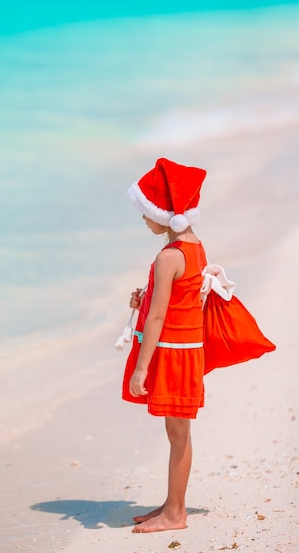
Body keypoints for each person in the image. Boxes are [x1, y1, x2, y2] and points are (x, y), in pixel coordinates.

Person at [122, 157, 208, 533]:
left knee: (177, 434)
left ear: (165, 215)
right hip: (188, 350)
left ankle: (175, 514)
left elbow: (158, 320)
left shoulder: (168, 256)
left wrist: (141, 367)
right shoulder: (195, 248)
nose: (143, 220)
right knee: (178, 433)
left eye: (145, 212)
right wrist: (147, 296)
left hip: (173, 354)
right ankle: (172, 504)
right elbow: (181, 298)